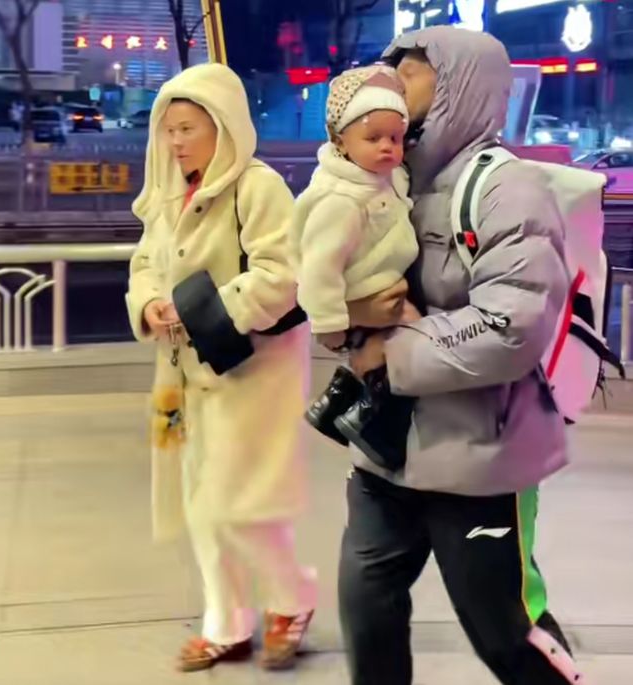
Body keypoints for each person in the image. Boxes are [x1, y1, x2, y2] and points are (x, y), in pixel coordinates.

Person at [338, 26, 587, 685]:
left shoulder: (506, 189)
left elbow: (512, 325)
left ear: (456, 86)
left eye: (410, 71)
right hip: (386, 450)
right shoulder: (381, 182)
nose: (391, 82)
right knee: (367, 612)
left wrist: (390, 352)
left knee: (504, 628)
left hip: (480, 459)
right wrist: (344, 319)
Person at [126, 63, 316, 673]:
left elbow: (282, 275)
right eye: (168, 130)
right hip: (181, 378)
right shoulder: (169, 195)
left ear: (223, 125)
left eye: (187, 128)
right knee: (199, 504)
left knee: (239, 503)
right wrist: (149, 304)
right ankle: (226, 623)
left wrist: (202, 311)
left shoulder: (258, 188)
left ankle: (293, 597)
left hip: (251, 374)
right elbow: (144, 265)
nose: (175, 142)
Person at [290, 64, 420, 471]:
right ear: (341, 141)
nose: (387, 147)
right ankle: (370, 422)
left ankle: (336, 405)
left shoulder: (384, 178)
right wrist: (329, 322)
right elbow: (319, 267)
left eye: (395, 138)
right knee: (412, 345)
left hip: (378, 282)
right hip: (362, 288)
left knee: (384, 350)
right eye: (373, 137)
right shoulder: (341, 199)